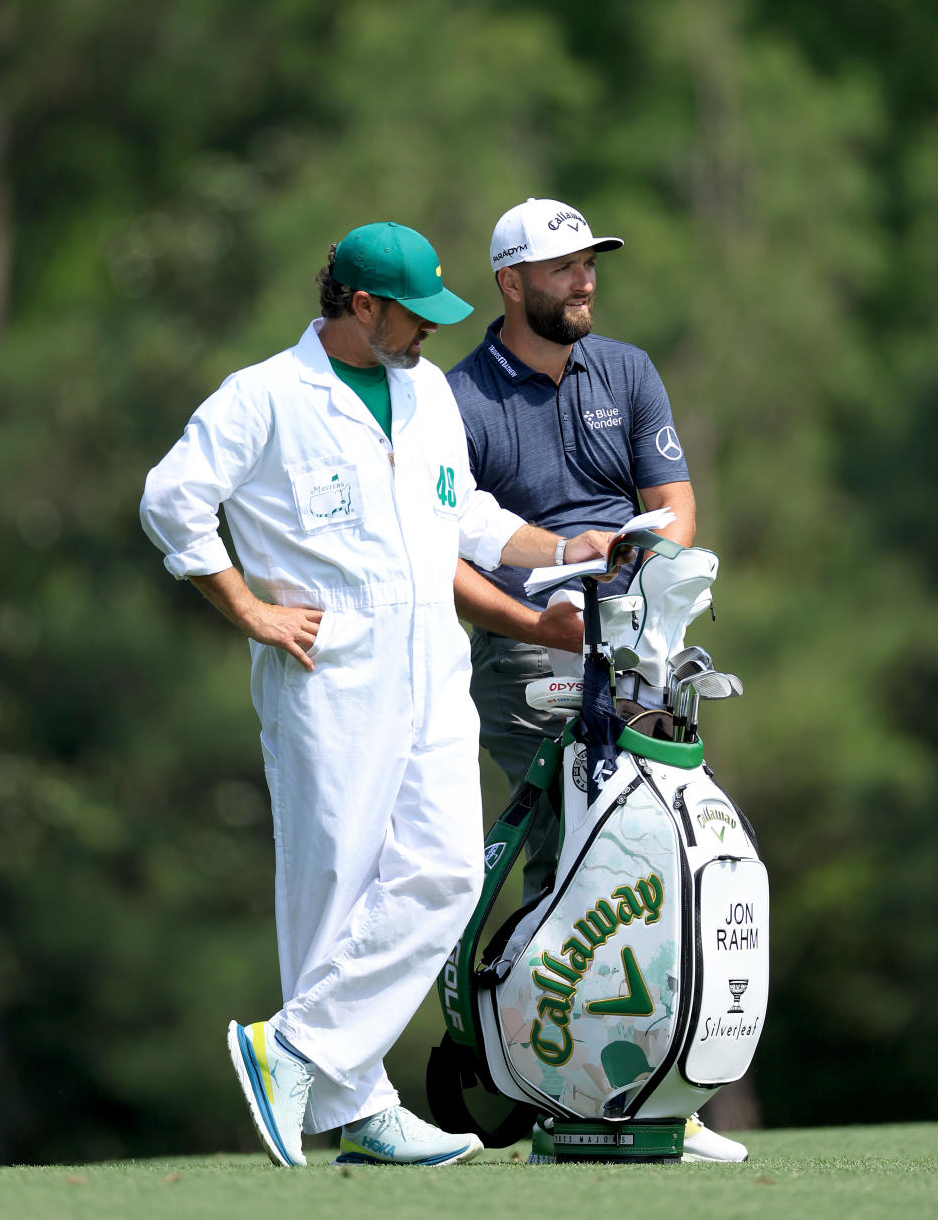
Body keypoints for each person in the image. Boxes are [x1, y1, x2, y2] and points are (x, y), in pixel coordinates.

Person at [139, 221, 617, 1169]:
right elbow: (171, 498)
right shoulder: (266, 396)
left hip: (431, 660)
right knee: (336, 884)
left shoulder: (427, 389)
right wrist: (246, 607)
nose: (434, 329)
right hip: (330, 667)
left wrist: (563, 550)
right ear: (361, 306)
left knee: (446, 875)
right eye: (414, 312)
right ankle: (359, 1106)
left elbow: (464, 515)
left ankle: (301, 1048)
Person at [447, 197, 748, 1164]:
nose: (585, 280)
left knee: (654, 860)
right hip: (529, 648)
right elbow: (444, 561)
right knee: (570, 863)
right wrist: (545, 621)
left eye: (590, 263)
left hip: (635, 645)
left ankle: (651, 1095)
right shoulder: (460, 402)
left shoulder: (627, 369)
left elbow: (676, 507)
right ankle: (559, 1092)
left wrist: (635, 597)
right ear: (512, 281)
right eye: (563, 266)